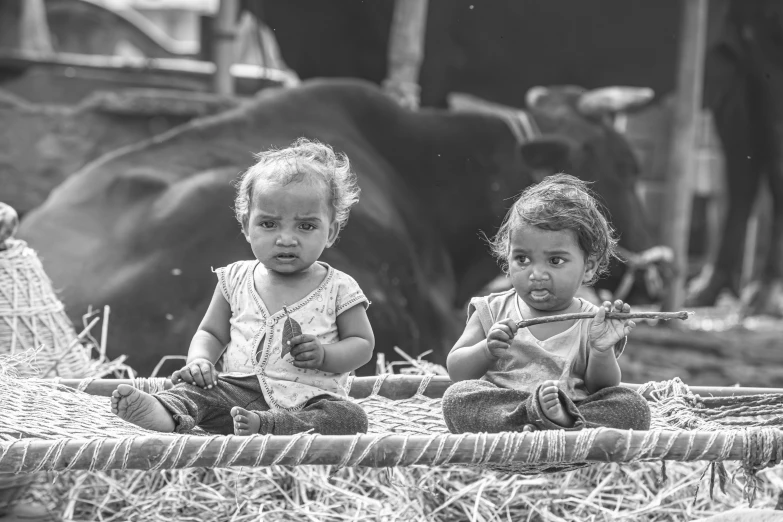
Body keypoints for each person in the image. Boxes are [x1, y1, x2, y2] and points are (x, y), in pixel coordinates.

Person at [111, 138, 374, 436]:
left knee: (350, 417)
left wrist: (325, 355)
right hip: (235, 395)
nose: (286, 239)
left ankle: (270, 425)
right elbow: (211, 332)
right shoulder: (234, 279)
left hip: (310, 400)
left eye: (306, 226)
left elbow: (362, 345)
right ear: (246, 225)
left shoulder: (338, 287)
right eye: (269, 224)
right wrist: (200, 361)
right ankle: (166, 412)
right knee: (195, 391)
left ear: (331, 232)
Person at [441, 174, 651, 433]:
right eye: (522, 259)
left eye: (555, 261)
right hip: (506, 409)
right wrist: (486, 349)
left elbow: (602, 388)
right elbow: (457, 371)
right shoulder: (491, 310)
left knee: (632, 407)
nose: (536, 274)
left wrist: (600, 350)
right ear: (507, 259)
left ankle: (561, 421)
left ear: (588, 267)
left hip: (571, 406)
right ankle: (531, 419)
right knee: (457, 398)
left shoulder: (592, 320)